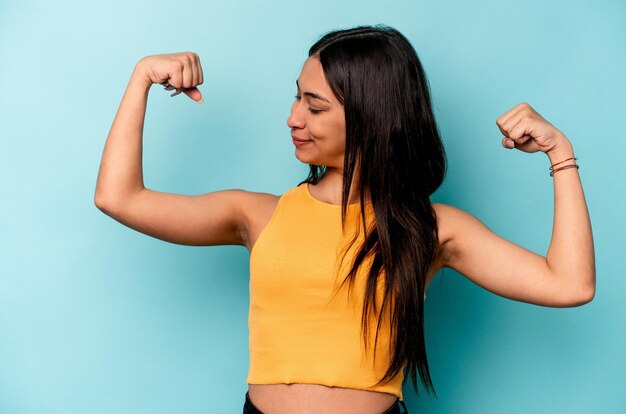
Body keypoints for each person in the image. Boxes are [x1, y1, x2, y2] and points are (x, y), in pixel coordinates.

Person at [94, 25, 595, 414]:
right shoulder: (256, 214)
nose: (294, 118)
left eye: (315, 106)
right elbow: (119, 198)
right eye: (297, 97)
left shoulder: (431, 228)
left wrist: (560, 154)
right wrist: (140, 77)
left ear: (372, 117)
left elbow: (569, 284)